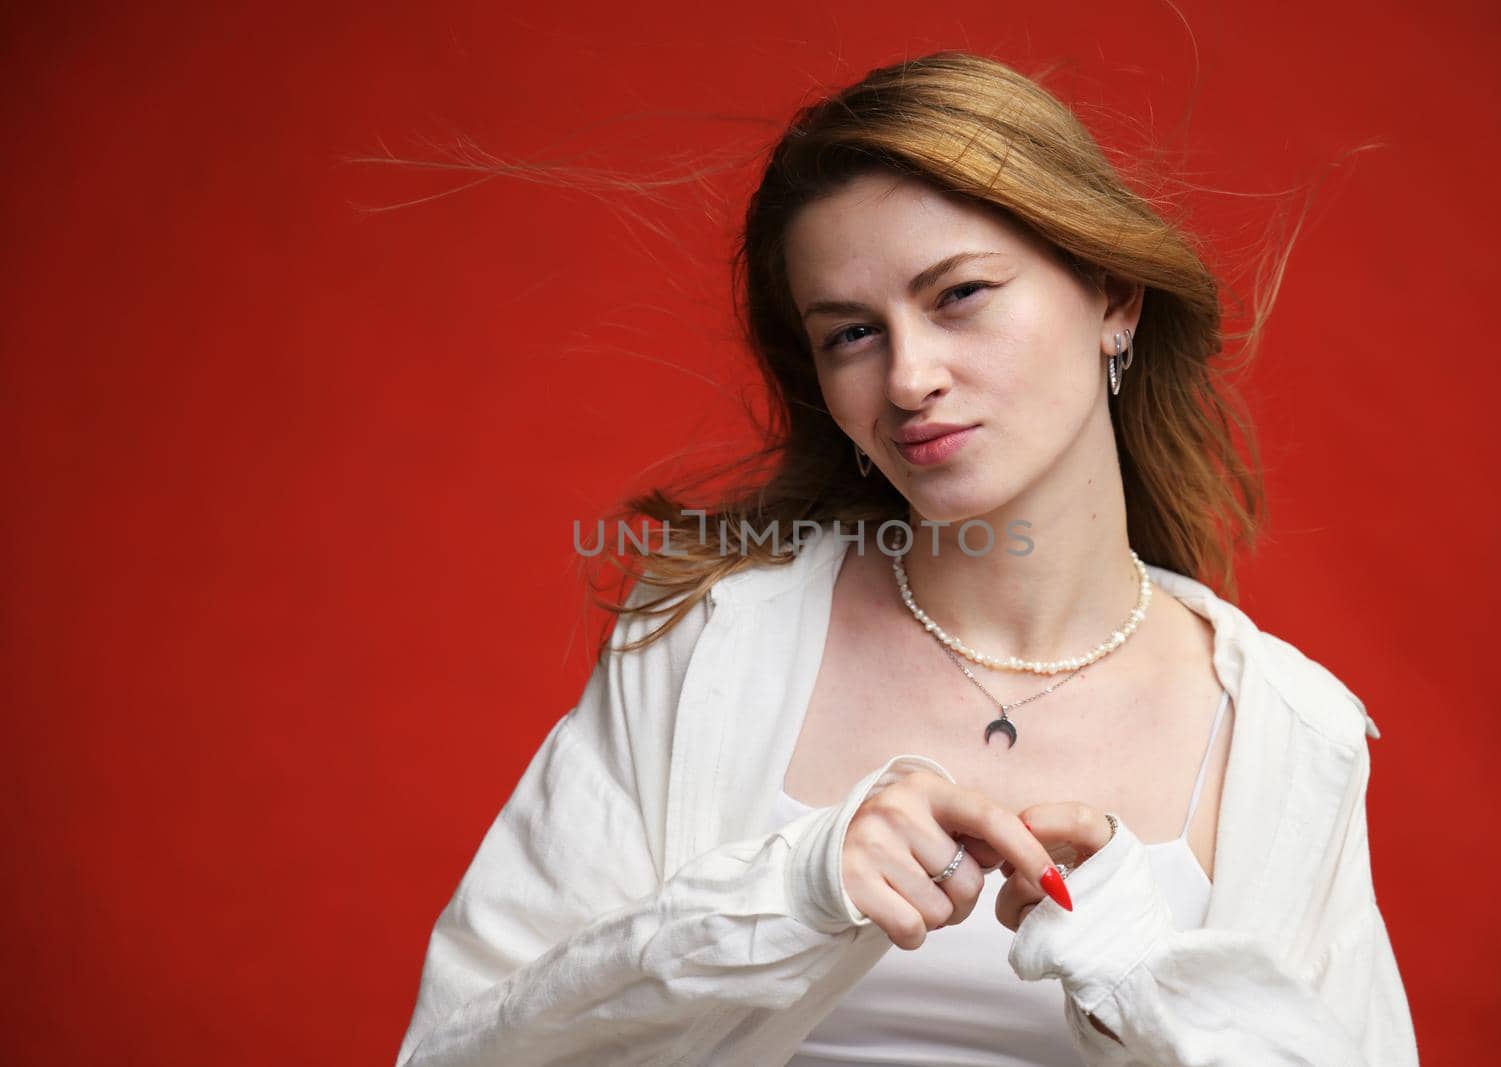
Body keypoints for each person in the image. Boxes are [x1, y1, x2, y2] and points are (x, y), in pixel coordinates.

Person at [393, 50, 1419, 1065]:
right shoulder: (707, 647)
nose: (908, 376)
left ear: (1113, 299)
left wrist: (1150, 978)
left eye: (959, 293)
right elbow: (457, 1050)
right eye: (849, 334)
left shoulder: (1286, 732)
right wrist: (786, 896)